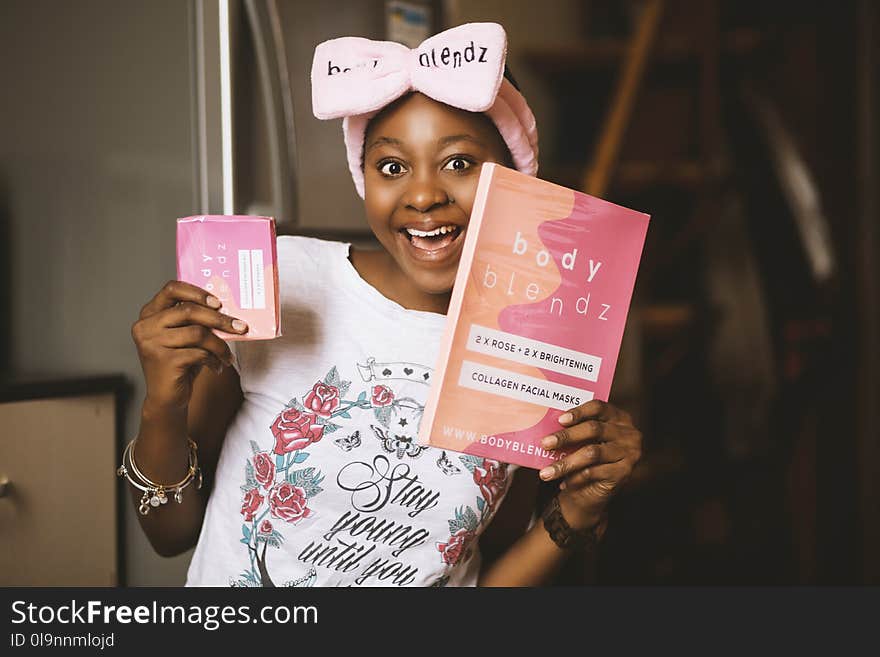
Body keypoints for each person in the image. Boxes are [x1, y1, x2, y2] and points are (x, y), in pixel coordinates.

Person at [127, 23, 643, 587]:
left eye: (459, 163)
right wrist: (163, 403)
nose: (423, 195)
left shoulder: (540, 340)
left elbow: (478, 568)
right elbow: (170, 535)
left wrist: (578, 510)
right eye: (392, 167)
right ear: (364, 177)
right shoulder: (284, 279)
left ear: (517, 179)